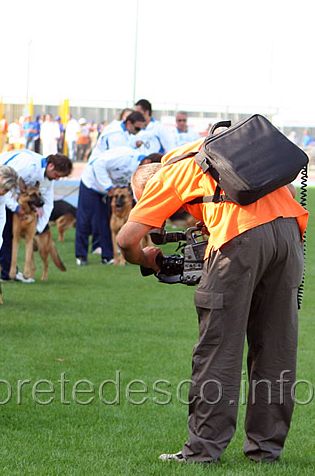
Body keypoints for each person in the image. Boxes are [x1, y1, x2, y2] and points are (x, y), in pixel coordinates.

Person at [116, 139, 308, 463]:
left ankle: (202, 452)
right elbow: (279, 193)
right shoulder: (216, 151)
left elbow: (126, 240)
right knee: (276, 348)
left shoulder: (167, 175)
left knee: (218, 349)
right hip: (290, 236)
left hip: (240, 239)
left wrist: (146, 259)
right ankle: (266, 450)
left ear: (145, 188)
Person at [0, 149, 73, 280]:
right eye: (57, 174)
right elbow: (5, 188)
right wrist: (16, 208)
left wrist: (37, 229)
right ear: (50, 166)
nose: (57, 178)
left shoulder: (47, 177)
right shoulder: (27, 165)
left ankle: (7, 273)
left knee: (7, 233)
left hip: (3, 191)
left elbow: (48, 203)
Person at [75, 146, 145, 265]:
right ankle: (81, 255)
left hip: (110, 190)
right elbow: (98, 164)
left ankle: (107, 256)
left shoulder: (138, 167)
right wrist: (108, 186)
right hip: (91, 184)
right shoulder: (127, 158)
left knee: (105, 222)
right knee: (85, 219)